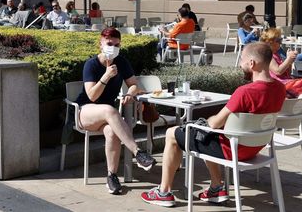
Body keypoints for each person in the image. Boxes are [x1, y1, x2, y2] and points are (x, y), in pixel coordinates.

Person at [141, 42, 286, 207]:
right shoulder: (280, 88)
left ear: (251, 63)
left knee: (172, 133)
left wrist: (205, 121)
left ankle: (163, 192)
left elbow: (215, 123)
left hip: (232, 149)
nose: (239, 64)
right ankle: (216, 187)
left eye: (242, 60)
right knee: (207, 134)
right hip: (255, 146)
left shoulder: (245, 92)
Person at [75, 27, 156, 194]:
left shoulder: (121, 62)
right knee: (109, 110)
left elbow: (134, 84)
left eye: (117, 44)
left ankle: (111, 176)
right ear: (101, 44)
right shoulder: (91, 65)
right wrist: (106, 76)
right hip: (85, 111)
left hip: (107, 116)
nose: (113, 47)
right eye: (109, 43)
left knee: (112, 131)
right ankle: (138, 153)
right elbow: (91, 96)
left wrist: (130, 94)